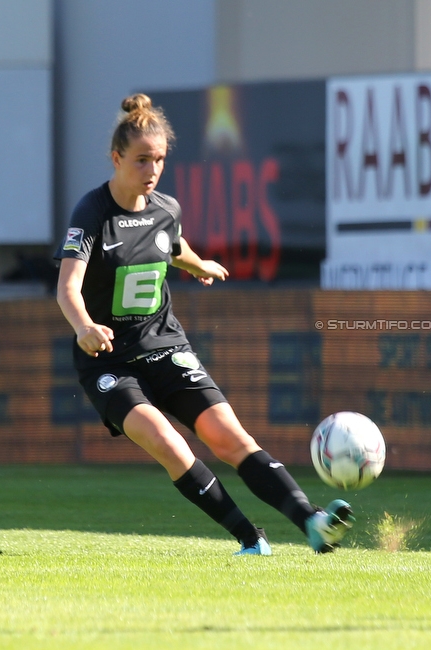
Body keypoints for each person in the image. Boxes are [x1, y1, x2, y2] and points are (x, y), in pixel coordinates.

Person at [55, 94, 352, 555]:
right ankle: (250, 538)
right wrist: (83, 326)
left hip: (165, 345)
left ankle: (312, 521)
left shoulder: (165, 208)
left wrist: (199, 265)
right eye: (140, 160)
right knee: (168, 443)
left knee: (230, 439)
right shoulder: (91, 214)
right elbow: (67, 286)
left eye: (158, 160)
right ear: (116, 158)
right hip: (109, 361)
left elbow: (173, 246)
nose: (151, 170)